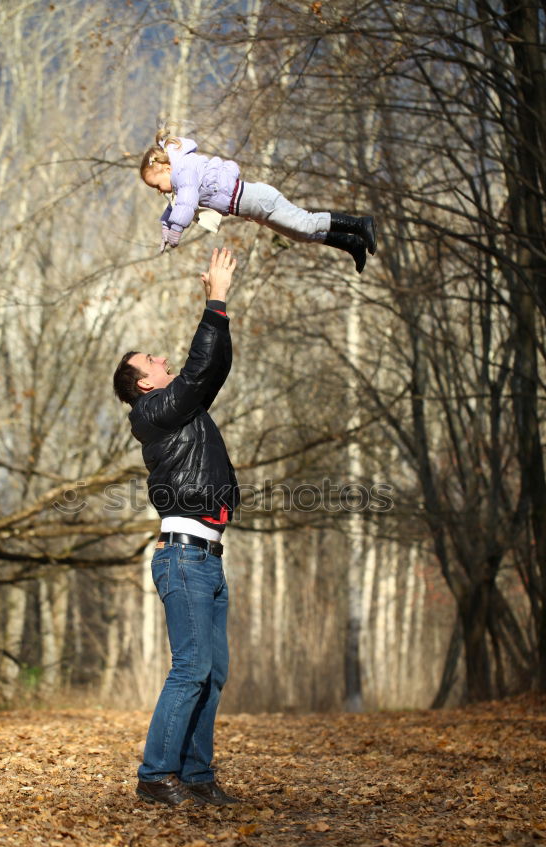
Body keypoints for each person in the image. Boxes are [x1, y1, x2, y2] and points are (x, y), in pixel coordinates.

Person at [113, 247, 240, 808]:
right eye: (154, 363)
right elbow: (198, 370)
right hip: (183, 557)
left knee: (212, 674)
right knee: (191, 666)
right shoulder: (153, 413)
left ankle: (196, 774)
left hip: (209, 558)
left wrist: (221, 316)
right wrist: (215, 301)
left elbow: (210, 370)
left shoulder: (179, 409)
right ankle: (154, 774)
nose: (162, 362)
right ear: (144, 385)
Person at [140, 125, 377, 273]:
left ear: (164, 168)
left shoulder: (185, 171)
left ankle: (359, 225)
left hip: (259, 200)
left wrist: (177, 230)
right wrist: (165, 227)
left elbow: (187, 202)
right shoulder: (180, 177)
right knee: (301, 234)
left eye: (156, 185)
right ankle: (351, 243)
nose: (160, 191)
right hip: (255, 208)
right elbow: (174, 207)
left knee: (306, 223)